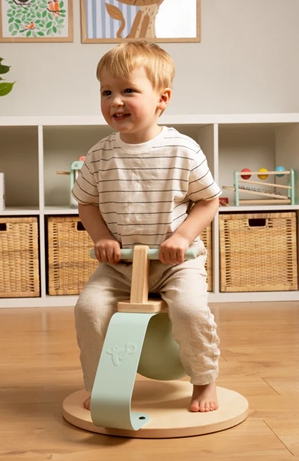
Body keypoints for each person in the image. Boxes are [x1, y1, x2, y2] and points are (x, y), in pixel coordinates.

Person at [72, 41, 221, 413]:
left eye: (128, 91)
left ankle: (204, 381)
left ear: (161, 99)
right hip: (120, 265)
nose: (115, 101)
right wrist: (102, 237)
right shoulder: (100, 155)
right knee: (88, 309)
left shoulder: (183, 150)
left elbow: (209, 201)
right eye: (107, 91)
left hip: (175, 262)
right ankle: (101, 383)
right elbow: (86, 202)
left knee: (189, 310)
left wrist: (183, 236)